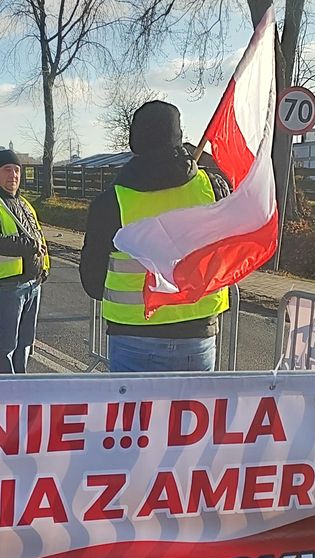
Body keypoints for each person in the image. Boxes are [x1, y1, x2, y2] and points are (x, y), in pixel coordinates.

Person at [79, 101, 230, 373]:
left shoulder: (111, 203)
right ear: (179, 136)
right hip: (197, 333)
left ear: (134, 141)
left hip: (132, 336)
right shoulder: (213, 189)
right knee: (192, 415)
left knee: (134, 416)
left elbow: (92, 280)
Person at [0, 149, 50, 374]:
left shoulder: (24, 203)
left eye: (17, 170)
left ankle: (19, 389)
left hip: (32, 284)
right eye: (7, 169)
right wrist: (28, 247)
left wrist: (44, 267)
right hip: (7, 286)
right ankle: (4, 393)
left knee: (25, 344)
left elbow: (38, 236)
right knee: (6, 346)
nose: (13, 175)